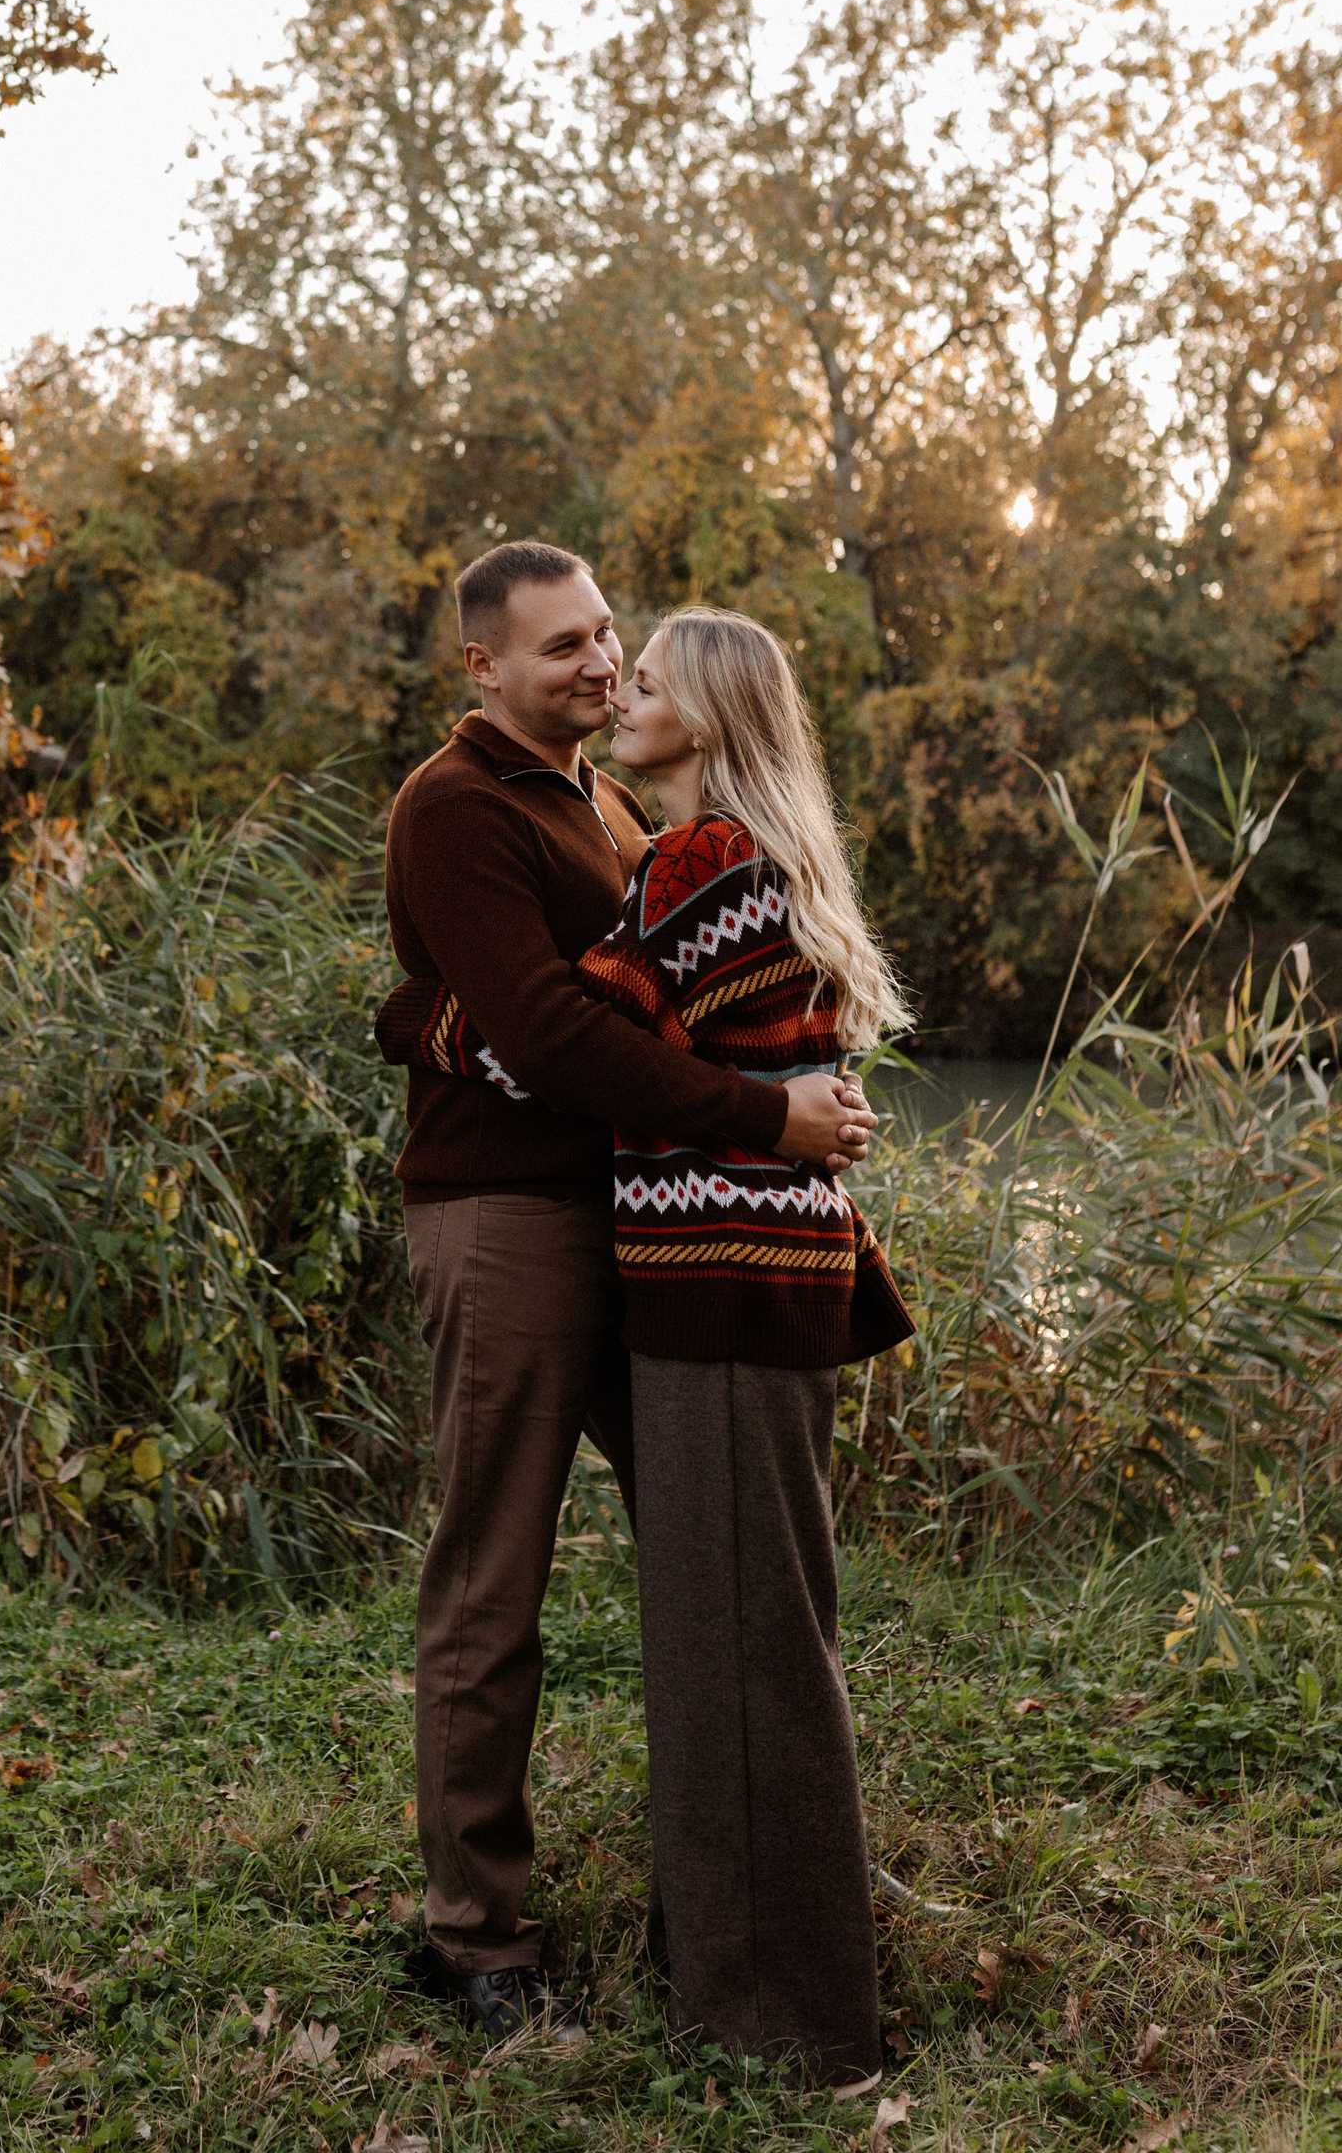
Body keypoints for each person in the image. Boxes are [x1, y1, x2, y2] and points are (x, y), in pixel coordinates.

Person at [380, 604, 914, 2088]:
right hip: (547, 1225)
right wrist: (780, 1107)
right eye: (567, 646)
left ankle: (764, 1974)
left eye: (622, 646)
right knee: (545, 1582)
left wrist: (419, 1021)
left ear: (705, 713)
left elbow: (584, 1031)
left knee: (728, 1599)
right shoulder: (463, 804)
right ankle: (481, 1936)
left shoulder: (650, 830)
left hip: (695, 1256)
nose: (605, 668)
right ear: (485, 662)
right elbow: (579, 1038)